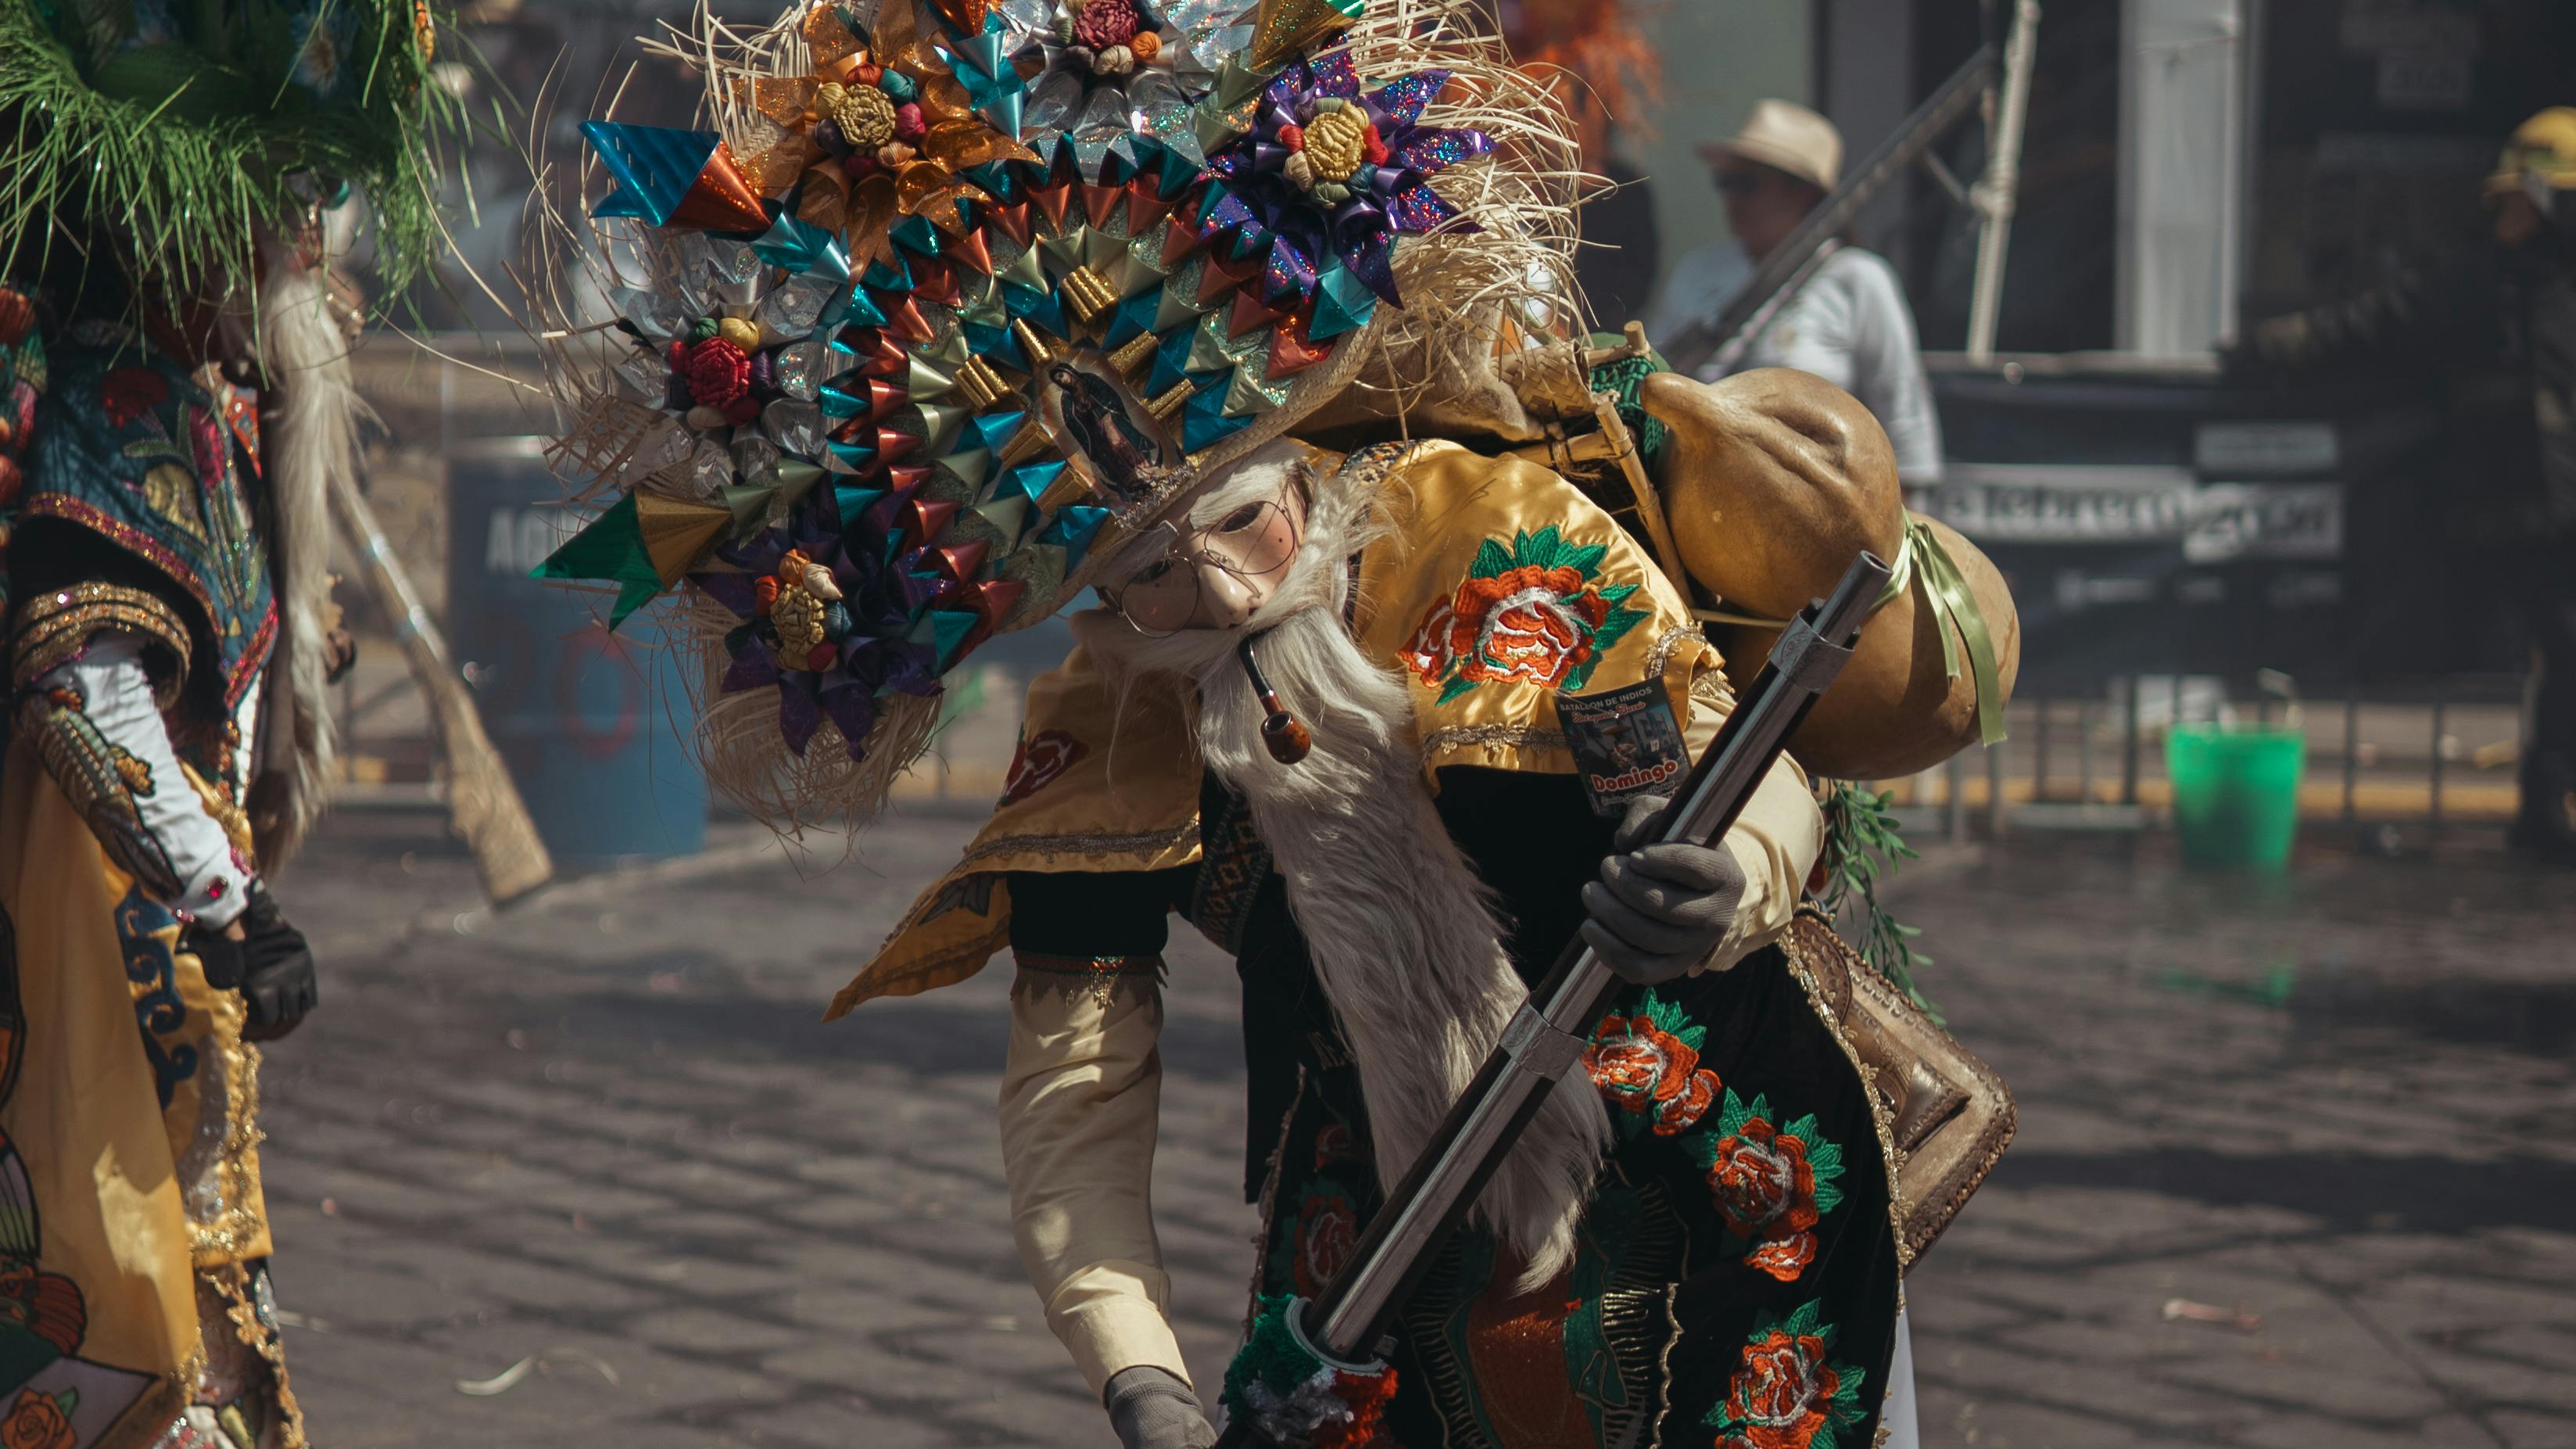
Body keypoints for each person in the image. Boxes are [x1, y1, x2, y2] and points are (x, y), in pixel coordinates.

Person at [532, 2, 1911, 1444]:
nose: (1225, 592)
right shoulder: (1112, 721)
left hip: (1733, 1181)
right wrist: (1137, 1369)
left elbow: (1699, 761)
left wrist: (1730, 872)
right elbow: (1077, 1073)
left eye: (1246, 524)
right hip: (1377, 1255)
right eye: (1151, 578)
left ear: (1297, 457)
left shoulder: (1493, 537)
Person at [0, 2, 461, 1443]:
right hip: (117, 943)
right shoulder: (111, 400)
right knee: (134, 1323)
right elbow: (81, 677)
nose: (304, 246)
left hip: (180, 966)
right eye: (279, 209)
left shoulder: (209, 402)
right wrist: (226, 899)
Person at [2229, 106, 2576, 863]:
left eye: (2528, 200)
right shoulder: (2472, 282)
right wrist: (2268, 347)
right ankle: (2544, 809)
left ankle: (2546, 807)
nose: (2511, 212)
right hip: (2501, 515)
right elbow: (2367, 322)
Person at [1647, 99, 1947, 486]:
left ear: (1802, 193)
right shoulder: (1696, 273)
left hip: (1820, 510)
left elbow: (1903, 414)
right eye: (1725, 182)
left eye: (1747, 184)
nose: (1731, 198)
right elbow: (1649, 382)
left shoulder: (1858, 279)